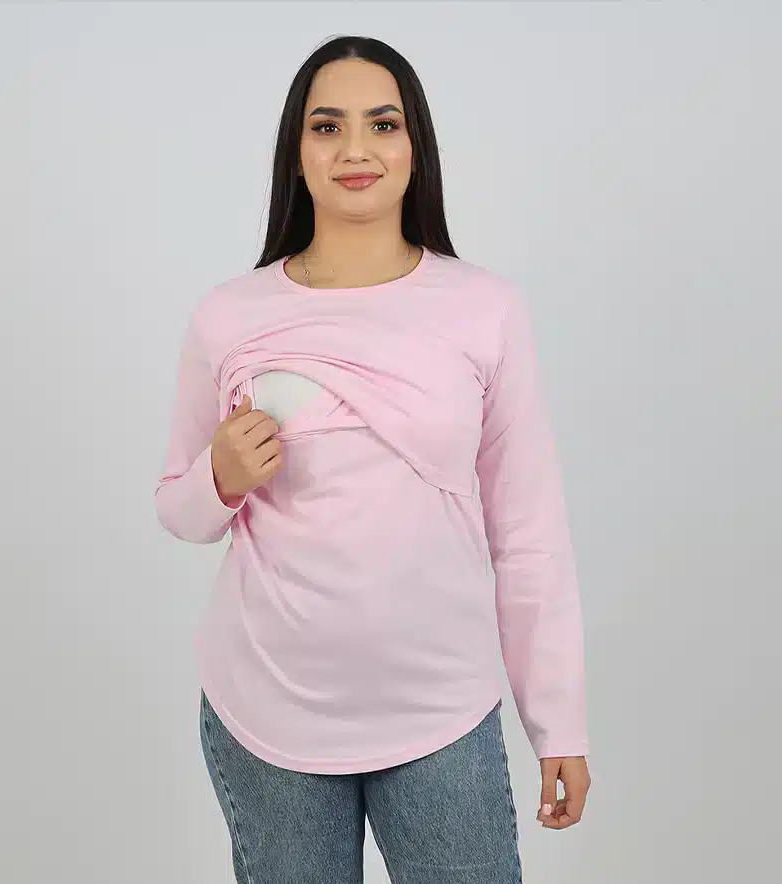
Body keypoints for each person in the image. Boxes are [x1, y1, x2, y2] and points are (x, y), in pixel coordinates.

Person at [155, 34, 591, 884]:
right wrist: (220, 478)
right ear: (297, 152)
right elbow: (177, 506)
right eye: (327, 127)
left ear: (415, 145)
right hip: (268, 710)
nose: (356, 149)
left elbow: (529, 535)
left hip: (441, 707)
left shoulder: (484, 308)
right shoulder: (229, 315)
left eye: (383, 124)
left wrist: (558, 723)